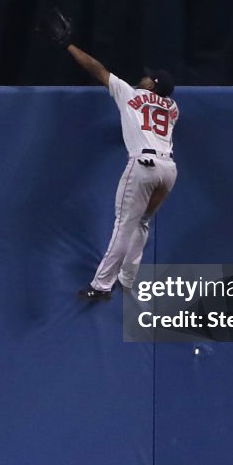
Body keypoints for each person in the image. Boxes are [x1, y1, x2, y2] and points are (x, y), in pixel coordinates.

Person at [65, 43, 179, 301]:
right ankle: (127, 278)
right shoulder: (172, 109)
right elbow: (155, 113)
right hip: (168, 170)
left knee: (124, 224)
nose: (144, 77)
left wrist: (69, 46)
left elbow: (96, 69)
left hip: (144, 165)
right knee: (141, 222)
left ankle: (102, 284)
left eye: (149, 77)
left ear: (152, 85)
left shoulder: (131, 94)